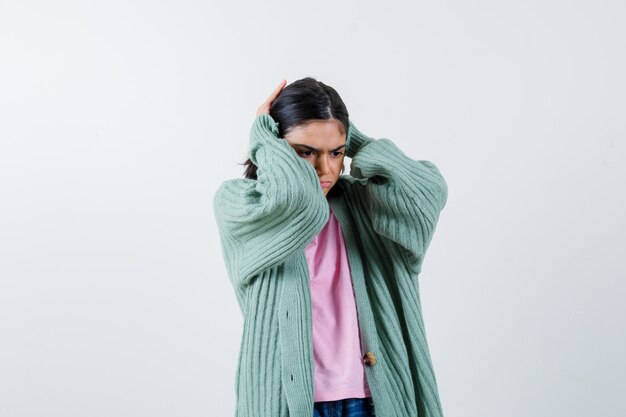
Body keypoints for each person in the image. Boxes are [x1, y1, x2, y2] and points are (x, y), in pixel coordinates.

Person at [213, 77, 449, 417]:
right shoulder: (242, 205)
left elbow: (427, 192)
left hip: (370, 399)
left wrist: (353, 139)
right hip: (289, 401)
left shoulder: (366, 204)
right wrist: (263, 136)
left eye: (336, 153)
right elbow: (296, 200)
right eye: (306, 152)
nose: (326, 169)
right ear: (276, 149)